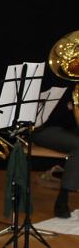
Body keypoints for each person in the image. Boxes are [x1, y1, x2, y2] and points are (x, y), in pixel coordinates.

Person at [32, 71, 79, 219]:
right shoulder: (66, 85)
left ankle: (63, 196)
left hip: (69, 133)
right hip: (45, 129)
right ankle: (62, 198)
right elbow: (50, 117)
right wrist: (70, 108)